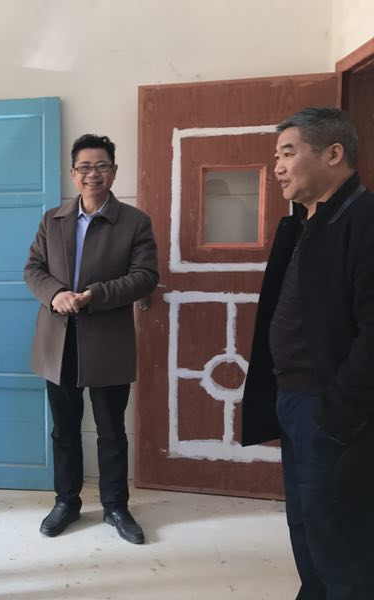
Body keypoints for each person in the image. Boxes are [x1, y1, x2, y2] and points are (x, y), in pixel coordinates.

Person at [241, 107, 374, 598]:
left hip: (332, 412)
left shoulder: (363, 221)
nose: (277, 167)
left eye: (288, 153)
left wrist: (338, 415)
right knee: (305, 524)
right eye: (277, 155)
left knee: (341, 539)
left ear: (333, 154)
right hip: (293, 400)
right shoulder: (304, 222)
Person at [24, 134, 159, 543]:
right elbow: (33, 269)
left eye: (101, 166)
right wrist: (55, 294)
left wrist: (95, 295)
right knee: (64, 430)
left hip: (107, 341)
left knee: (111, 430)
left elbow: (145, 277)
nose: (92, 174)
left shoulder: (135, 222)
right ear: (73, 173)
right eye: (84, 167)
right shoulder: (52, 219)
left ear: (114, 172)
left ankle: (116, 506)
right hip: (58, 341)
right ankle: (66, 502)